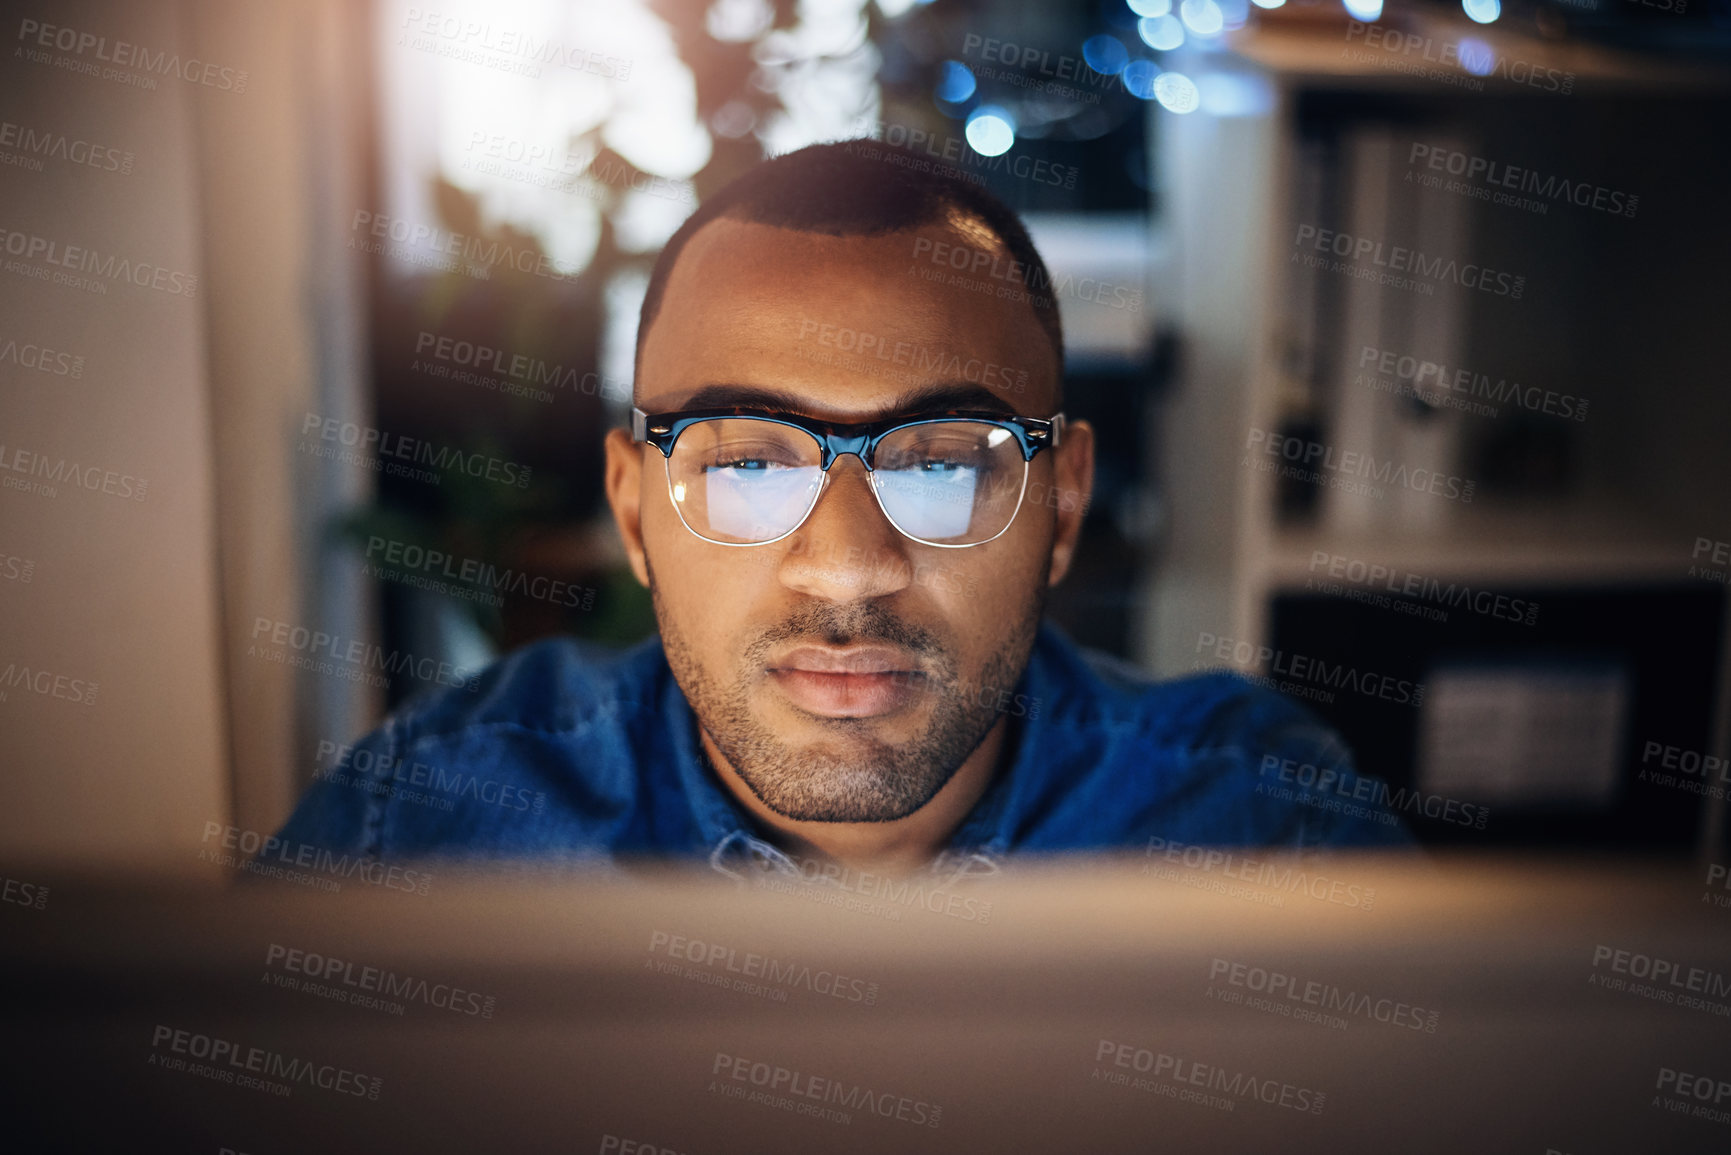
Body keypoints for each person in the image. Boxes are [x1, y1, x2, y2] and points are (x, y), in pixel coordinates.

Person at [276, 140, 1409, 882]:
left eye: (940, 466)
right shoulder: (422, 833)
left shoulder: (1257, 825)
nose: (850, 568)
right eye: (753, 469)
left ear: (1063, 506)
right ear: (634, 514)